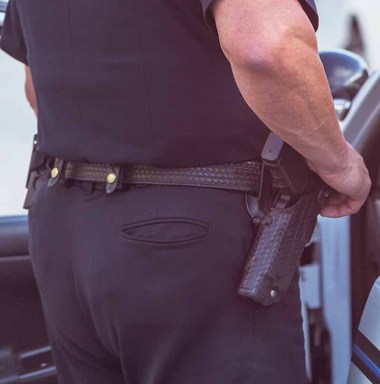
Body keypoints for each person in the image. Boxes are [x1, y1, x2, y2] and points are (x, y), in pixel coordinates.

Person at [0, 0, 371, 383]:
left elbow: (36, 89)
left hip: (63, 228)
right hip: (187, 241)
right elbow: (266, 47)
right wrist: (340, 165)